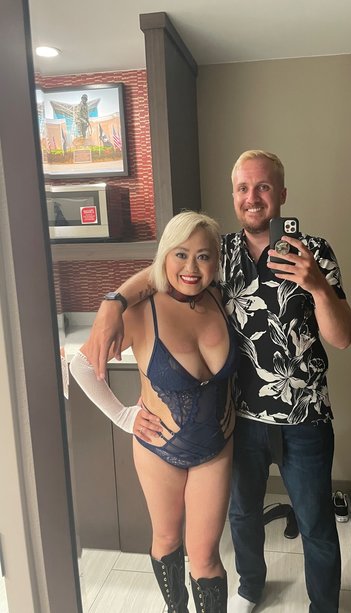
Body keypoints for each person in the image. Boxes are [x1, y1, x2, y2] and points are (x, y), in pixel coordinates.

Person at [85, 150, 351, 613]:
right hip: (239, 418)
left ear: (281, 194)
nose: (253, 197)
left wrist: (316, 285)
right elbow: (161, 272)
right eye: (243, 188)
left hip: (304, 416)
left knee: (316, 523)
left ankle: (325, 607)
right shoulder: (220, 253)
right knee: (243, 515)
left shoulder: (314, 252)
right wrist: (113, 302)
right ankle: (250, 588)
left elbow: (343, 337)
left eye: (263, 187)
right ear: (233, 196)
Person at [70, 211, 239, 613]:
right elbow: (81, 365)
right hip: (159, 448)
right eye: (181, 254)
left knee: (206, 557)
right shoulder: (140, 313)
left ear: (216, 261)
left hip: (216, 448)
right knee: (166, 539)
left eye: (203, 256)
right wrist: (123, 416)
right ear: (164, 255)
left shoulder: (222, 300)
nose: (191, 267)